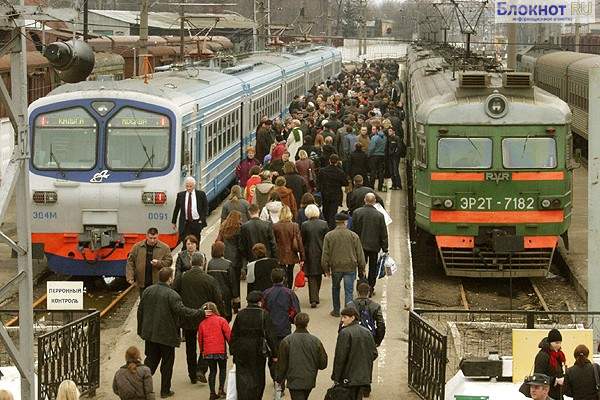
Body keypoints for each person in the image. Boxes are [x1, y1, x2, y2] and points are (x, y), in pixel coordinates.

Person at [139, 268, 207, 398]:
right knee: (167, 363)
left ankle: (140, 385)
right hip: (167, 335)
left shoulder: (148, 291)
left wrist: (141, 330)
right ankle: (165, 391)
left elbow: (140, 311)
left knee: (151, 361)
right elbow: (183, 311)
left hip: (150, 333)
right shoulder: (172, 295)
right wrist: (200, 312)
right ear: (170, 279)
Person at [171, 255, 221, 386]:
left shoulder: (181, 277)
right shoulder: (210, 279)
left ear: (191, 263)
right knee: (205, 344)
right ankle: (201, 368)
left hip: (187, 316)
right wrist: (222, 314)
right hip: (205, 316)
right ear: (203, 263)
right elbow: (217, 298)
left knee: (190, 347)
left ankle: (192, 374)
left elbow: (173, 294)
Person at [230, 291, 278, 400]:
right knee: (258, 375)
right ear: (260, 301)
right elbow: (270, 335)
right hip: (258, 349)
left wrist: (233, 350)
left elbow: (234, 333)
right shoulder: (263, 314)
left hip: (241, 348)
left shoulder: (241, 314)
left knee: (242, 375)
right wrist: (274, 354)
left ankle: (243, 396)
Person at [322, 213, 366, 317]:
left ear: (336, 222)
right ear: (346, 222)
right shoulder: (353, 236)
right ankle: (348, 312)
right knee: (349, 291)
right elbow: (360, 254)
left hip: (336, 266)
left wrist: (326, 269)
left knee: (335, 288)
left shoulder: (329, 236)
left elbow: (325, 254)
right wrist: (362, 267)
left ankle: (336, 310)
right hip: (350, 266)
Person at [262, 269, 301, 385]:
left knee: (273, 355)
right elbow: (296, 310)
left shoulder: (266, 293)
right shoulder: (289, 293)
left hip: (270, 330)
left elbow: (263, 310)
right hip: (284, 328)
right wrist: (289, 318)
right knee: (285, 354)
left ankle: (275, 378)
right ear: (284, 278)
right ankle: (282, 379)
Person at [347, 282, 386, 398]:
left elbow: (343, 322)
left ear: (357, 292)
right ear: (369, 292)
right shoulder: (375, 306)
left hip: (352, 336)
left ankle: (353, 384)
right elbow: (381, 324)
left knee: (352, 360)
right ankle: (366, 386)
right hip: (369, 338)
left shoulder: (350, 305)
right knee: (367, 362)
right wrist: (378, 340)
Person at [277, 313, 328, 400]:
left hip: (294, 379)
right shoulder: (315, 341)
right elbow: (323, 364)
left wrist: (279, 379)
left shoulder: (286, 341)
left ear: (295, 323)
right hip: (309, 379)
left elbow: (282, 365)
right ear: (307, 324)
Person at [332, 307, 378, 400]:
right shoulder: (367, 332)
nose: (342, 320)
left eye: (345, 317)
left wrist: (336, 377)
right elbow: (374, 353)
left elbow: (340, 357)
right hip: (363, 376)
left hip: (348, 375)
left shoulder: (344, 333)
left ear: (352, 318)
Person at [352, 193, 389, 296]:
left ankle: (362, 285)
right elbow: (383, 233)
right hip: (374, 246)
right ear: (374, 201)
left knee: (361, 266)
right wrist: (385, 248)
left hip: (360, 246)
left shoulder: (357, 213)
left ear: (364, 200)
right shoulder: (380, 215)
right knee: (373, 267)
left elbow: (353, 230)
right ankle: (371, 287)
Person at [197, 302, 232, 400]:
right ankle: (221, 390)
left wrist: (202, 351)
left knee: (212, 371)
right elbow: (228, 335)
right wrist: (232, 347)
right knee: (223, 369)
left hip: (208, 352)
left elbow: (200, 339)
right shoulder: (221, 320)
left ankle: (212, 393)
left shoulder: (202, 324)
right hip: (221, 350)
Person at [126, 227, 173, 298]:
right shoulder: (137, 247)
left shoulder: (165, 248)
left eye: (155, 238)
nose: (152, 240)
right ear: (146, 236)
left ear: (158, 236)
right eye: (150, 238)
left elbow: (169, 262)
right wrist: (130, 276)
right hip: (142, 282)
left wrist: (158, 263)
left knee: (156, 303)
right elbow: (130, 262)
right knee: (144, 302)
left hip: (158, 283)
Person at [301, 204, 329, 308]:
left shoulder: (305, 225)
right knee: (318, 274)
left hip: (309, 252)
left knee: (311, 275)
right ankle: (315, 295)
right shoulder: (324, 224)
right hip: (321, 251)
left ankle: (313, 297)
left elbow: (302, 239)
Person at [216, 211, 244, 313]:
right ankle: (236, 304)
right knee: (236, 281)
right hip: (236, 259)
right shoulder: (239, 228)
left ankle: (227, 303)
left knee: (226, 282)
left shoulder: (223, 227)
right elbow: (241, 245)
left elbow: (219, 241)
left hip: (224, 257)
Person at [273, 206, 304, 288]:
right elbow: (299, 242)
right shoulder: (295, 226)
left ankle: (282, 288)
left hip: (280, 253)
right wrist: (302, 257)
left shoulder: (275, 226)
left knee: (281, 272)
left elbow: (273, 242)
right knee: (290, 272)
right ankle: (289, 289)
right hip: (292, 253)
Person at [171, 176, 208, 243]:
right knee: (185, 243)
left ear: (194, 186)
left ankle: (196, 253)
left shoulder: (201, 194)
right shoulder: (180, 195)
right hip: (185, 224)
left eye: (190, 186)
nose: (188, 188)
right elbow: (176, 209)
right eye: (187, 186)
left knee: (196, 242)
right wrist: (174, 222)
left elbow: (205, 208)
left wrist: (201, 220)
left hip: (196, 223)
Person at [317, 154, 349, 230]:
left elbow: (319, 181)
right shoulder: (340, 172)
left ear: (329, 161)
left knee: (325, 211)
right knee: (333, 212)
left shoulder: (322, 171)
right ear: (337, 162)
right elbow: (345, 183)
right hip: (336, 194)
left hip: (325, 193)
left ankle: (326, 226)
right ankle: (331, 227)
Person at [207, 241, 236, 322]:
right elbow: (232, 282)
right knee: (227, 315)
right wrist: (235, 298)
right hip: (226, 294)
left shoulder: (210, 263)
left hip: (214, 293)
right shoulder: (228, 264)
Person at [534, 328, 566, 400]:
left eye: (560, 342)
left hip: (557, 393)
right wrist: (555, 380)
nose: (559, 345)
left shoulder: (558, 355)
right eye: (556, 343)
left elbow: (558, 372)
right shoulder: (542, 356)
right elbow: (538, 376)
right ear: (550, 343)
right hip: (546, 394)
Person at [367, 127, 387, 191]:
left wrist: (369, 155)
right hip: (382, 156)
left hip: (374, 156)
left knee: (373, 171)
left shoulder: (374, 137)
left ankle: (372, 186)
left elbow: (372, 148)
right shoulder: (385, 138)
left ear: (377, 130)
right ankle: (380, 187)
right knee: (381, 172)